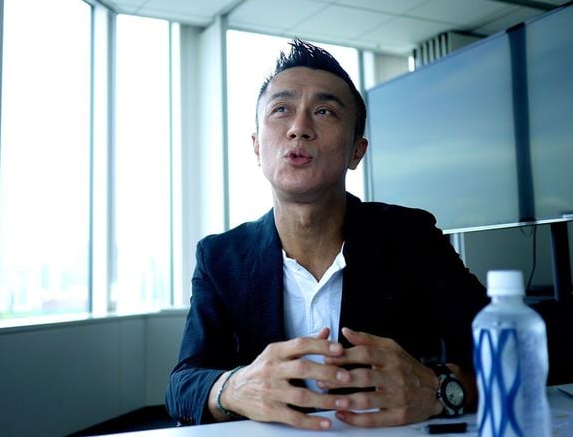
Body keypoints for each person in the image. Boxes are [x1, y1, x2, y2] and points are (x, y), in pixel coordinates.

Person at [166, 39, 489, 430]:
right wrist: (234, 387)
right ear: (256, 146)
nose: (299, 129)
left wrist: (441, 388)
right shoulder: (220, 256)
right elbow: (182, 385)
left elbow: (514, 350)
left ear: (357, 151)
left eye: (324, 111)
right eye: (281, 109)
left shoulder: (411, 237)